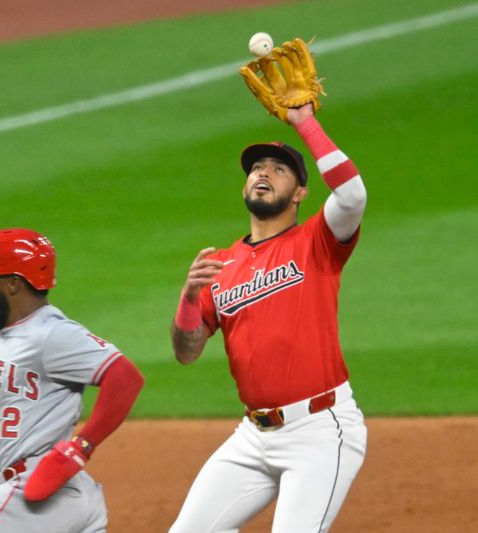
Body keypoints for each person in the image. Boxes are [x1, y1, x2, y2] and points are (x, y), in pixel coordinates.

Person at [169, 103, 367, 533]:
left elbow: (352, 195)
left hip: (319, 431)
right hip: (254, 437)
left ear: (299, 193)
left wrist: (305, 123)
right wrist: (188, 297)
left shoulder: (318, 241)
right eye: (257, 167)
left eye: (279, 169)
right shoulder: (221, 266)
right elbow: (187, 352)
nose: (263, 173)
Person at [0, 228, 144, 533]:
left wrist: (80, 447)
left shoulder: (52, 332)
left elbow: (125, 377)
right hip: (57, 497)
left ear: (13, 284)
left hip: (42, 494)